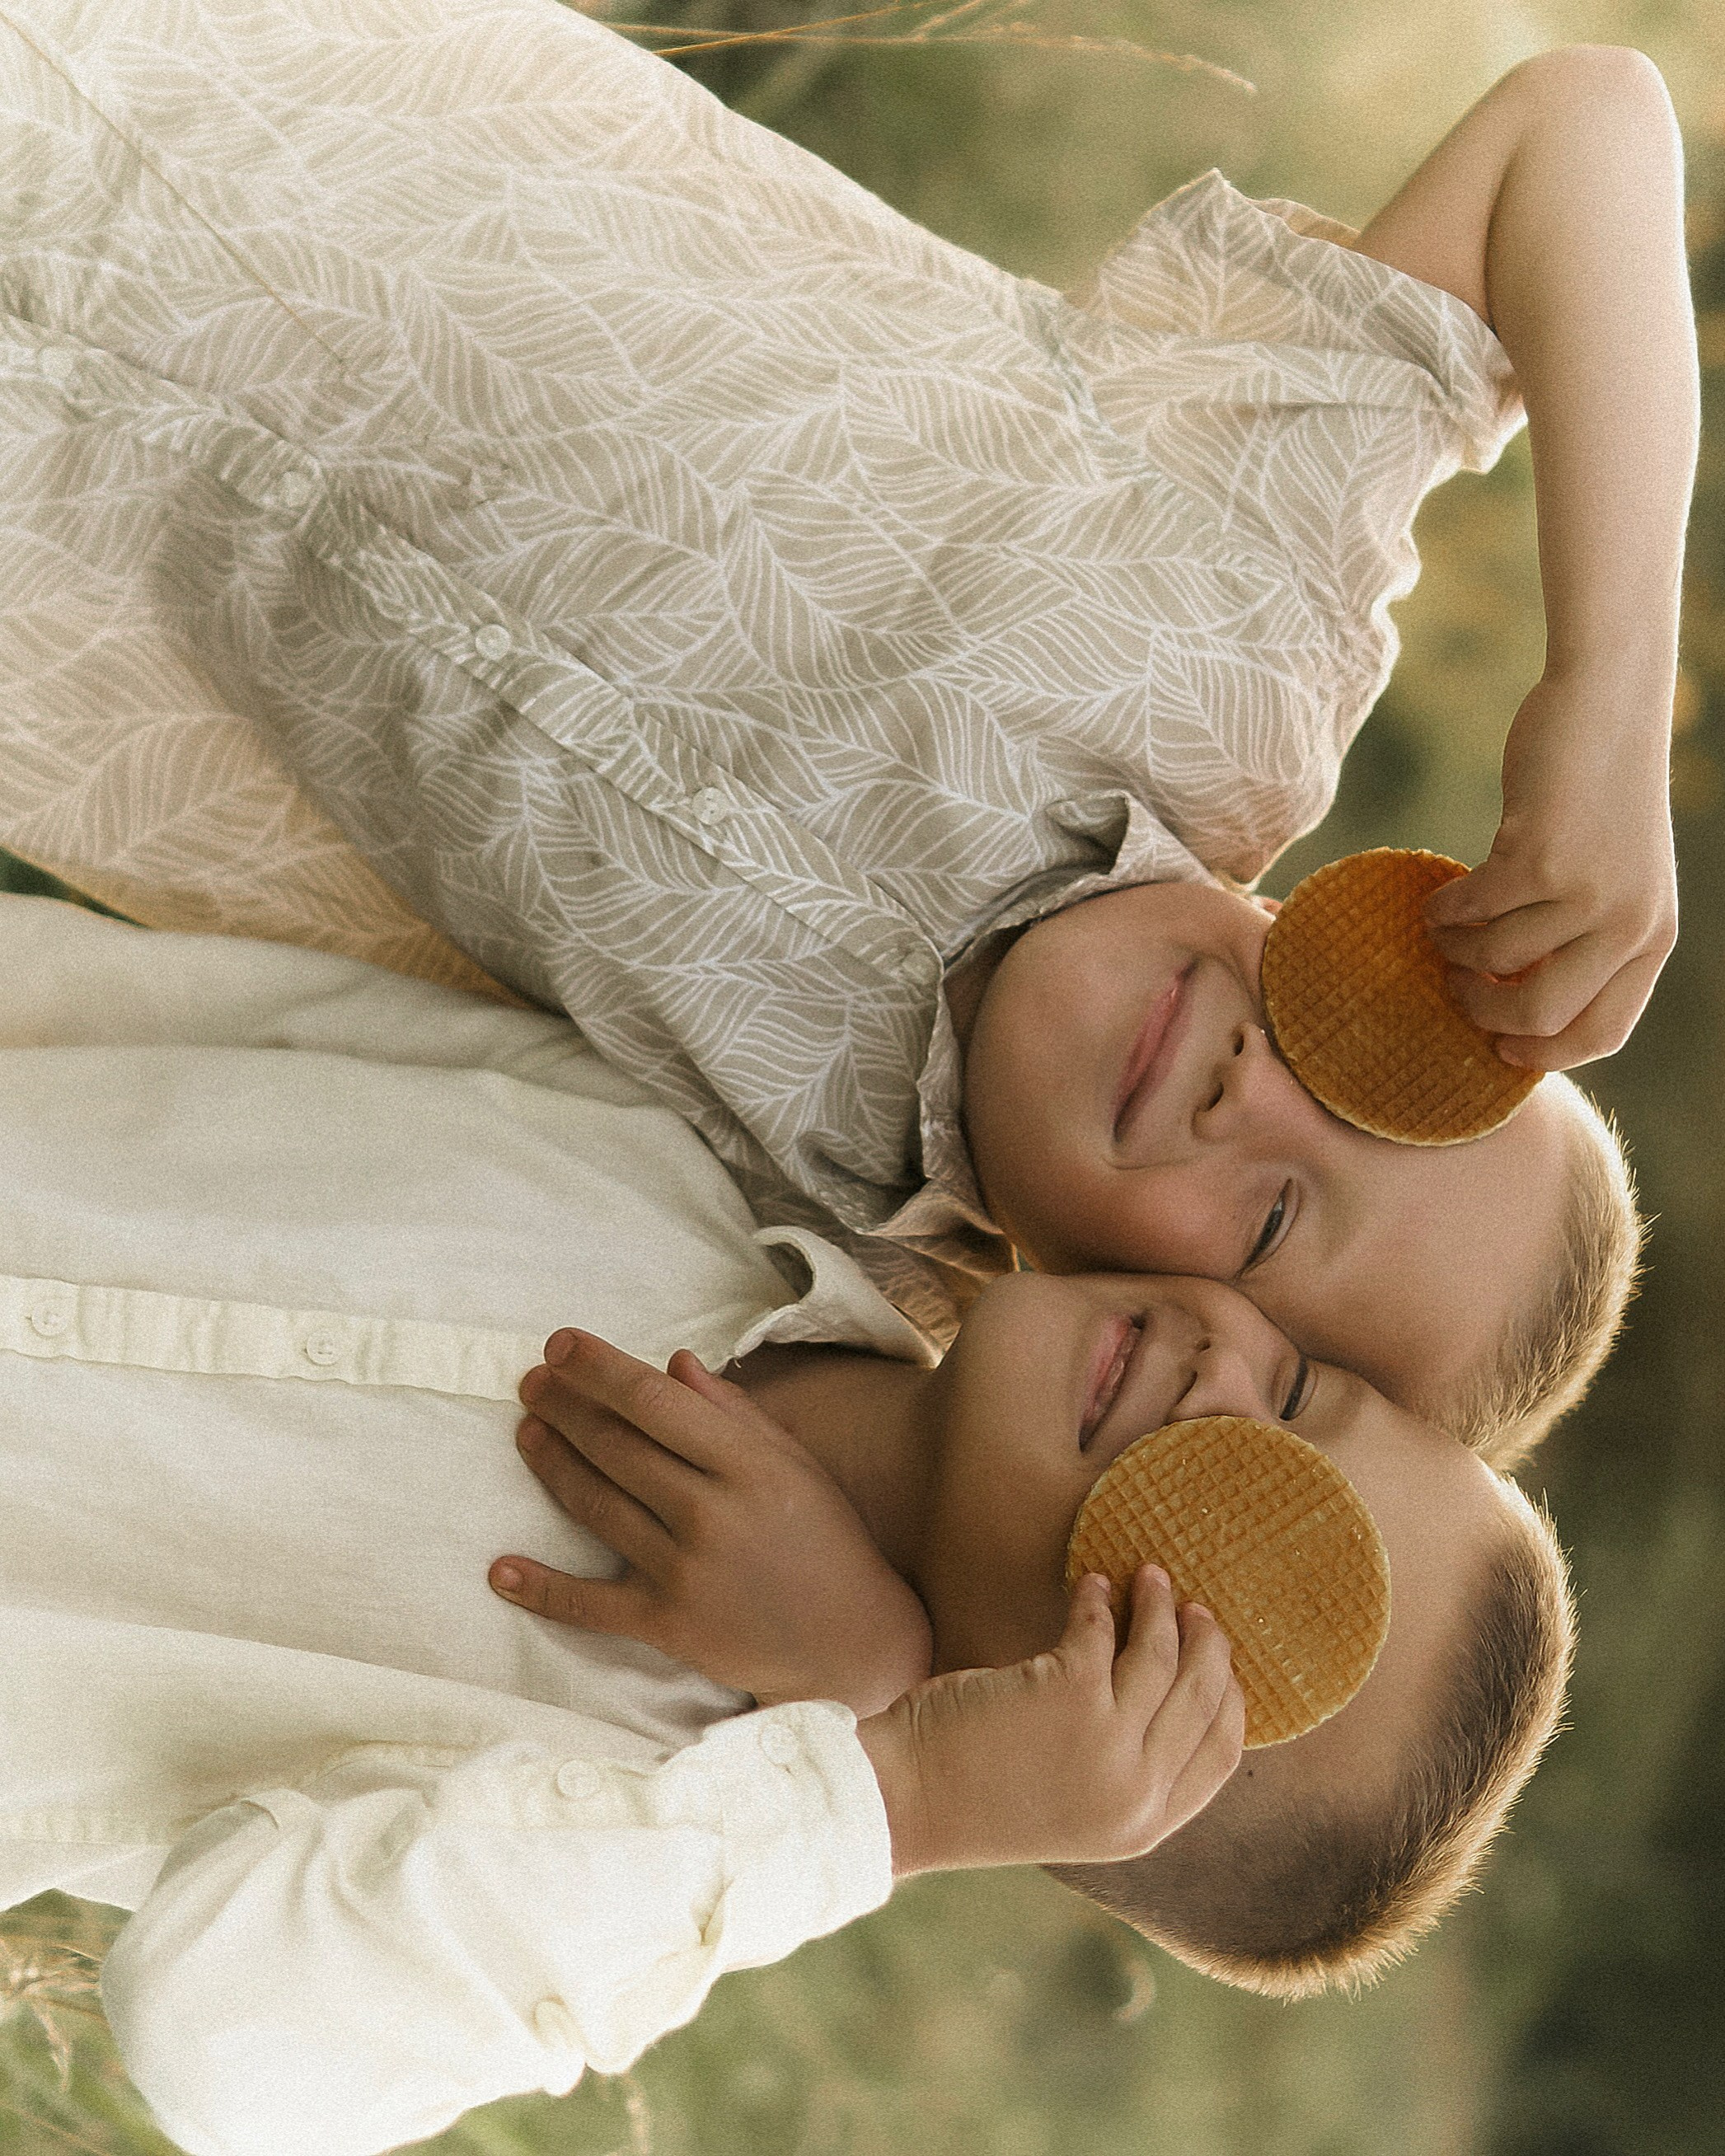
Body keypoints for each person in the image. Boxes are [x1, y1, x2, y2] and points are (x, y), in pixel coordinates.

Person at [0, 2, 1684, 1428]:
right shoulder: (1236, 631)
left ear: (1170, 1347)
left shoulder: (833, 1256)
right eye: (1372, 1043)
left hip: (51, 564)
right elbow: (1583, 124)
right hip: (202, 112)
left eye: (1268, 1223)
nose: (1261, 1084)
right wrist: (1606, 690)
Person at [0, 895, 1571, 2156]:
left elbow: (222, 2046)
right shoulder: (700, 1163)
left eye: (1243, 1540)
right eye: (1298, 1388)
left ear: (1077, 1757)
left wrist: (887, 1795)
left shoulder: (628, 1811)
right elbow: (226, 1019)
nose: (1220, 1389)